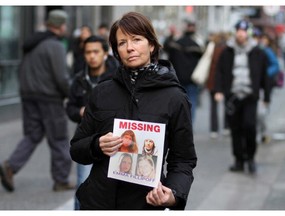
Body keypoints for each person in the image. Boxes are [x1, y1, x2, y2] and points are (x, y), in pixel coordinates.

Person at [70, 11, 197, 210]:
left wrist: (173, 194)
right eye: (122, 43)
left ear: (152, 44)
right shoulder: (102, 92)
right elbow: (77, 147)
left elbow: (183, 159)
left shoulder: (174, 97)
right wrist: (96, 145)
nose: (129, 48)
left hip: (144, 204)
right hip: (97, 202)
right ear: (116, 51)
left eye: (136, 40)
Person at [0, 9, 74, 192]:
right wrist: (70, 94)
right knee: (58, 138)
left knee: (32, 136)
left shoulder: (32, 42)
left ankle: (10, 166)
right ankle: (61, 180)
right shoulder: (55, 45)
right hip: (49, 98)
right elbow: (61, 77)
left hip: (29, 96)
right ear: (61, 25)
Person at [66, 35, 118, 210]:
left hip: (114, 139)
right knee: (83, 182)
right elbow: (70, 107)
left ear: (105, 53)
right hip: (87, 138)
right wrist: (79, 112)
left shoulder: (116, 77)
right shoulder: (79, 79)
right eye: (88, 52)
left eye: (96, 51)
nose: (92, 56)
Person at [214, 20, 270, 174]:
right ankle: (239, 160)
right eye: (238, 30)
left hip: (250, 96)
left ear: (248, 33)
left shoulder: (257, 52)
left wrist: (267, 96)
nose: (241, 33)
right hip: (233, 97)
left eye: (244, 31)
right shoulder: (227, 51)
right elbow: (220, 72)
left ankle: (250, 158)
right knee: (235, 129)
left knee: (250, 126)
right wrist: (218, 90)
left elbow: (264, 75)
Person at [164, 21, 204, 124]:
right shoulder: (196, 46)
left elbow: (166, 49)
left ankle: (179, 123)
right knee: (192, 102)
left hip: (178, 78)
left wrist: (171, 35)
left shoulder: (176, 44)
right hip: (192, 78)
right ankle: (190, 123)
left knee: (178, 102)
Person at [205, 32, 230, 138]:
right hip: (225, 81)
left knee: (213, 107)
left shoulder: (212, 48)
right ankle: (226, 127)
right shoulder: (228, 49)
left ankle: (214, 129)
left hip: (212, 81)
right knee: (227, 105)